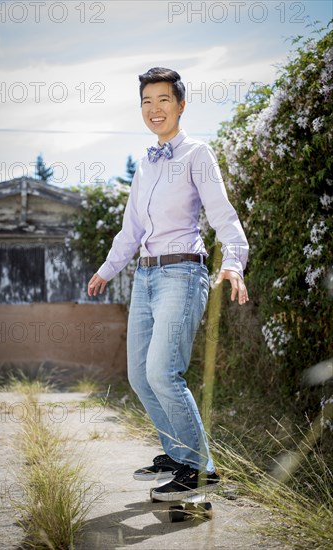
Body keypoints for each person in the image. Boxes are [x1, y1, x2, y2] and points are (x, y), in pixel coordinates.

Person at [87, 67, 249, 501]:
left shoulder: (198, 153)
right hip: (145, 275)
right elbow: (132, 228)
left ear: (180, 105)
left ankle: (198, 470)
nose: (154, 109)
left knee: (163, 372)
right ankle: (180, 457)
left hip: (182, 272)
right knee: (140, 376)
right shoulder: (145, 164)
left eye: (163, 100)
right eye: (146, 102)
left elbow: (223, 215)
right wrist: (107, 269)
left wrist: (233, 261)